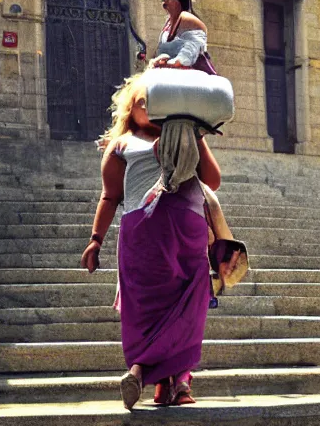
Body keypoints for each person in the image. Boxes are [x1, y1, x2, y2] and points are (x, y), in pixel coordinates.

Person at [81, 74, 236, 409]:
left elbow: (212, 180)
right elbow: (109, 197)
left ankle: (161, 379)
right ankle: (151, 377)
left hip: (187, 232)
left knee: (187, 305)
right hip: (144, 236)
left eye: (156, 101)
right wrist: (96, 240)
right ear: (129, 109)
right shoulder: (121, 144)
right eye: (142, 101)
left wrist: (195, 131)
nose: (150, 107)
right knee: (149, 308)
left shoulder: (183, 136)